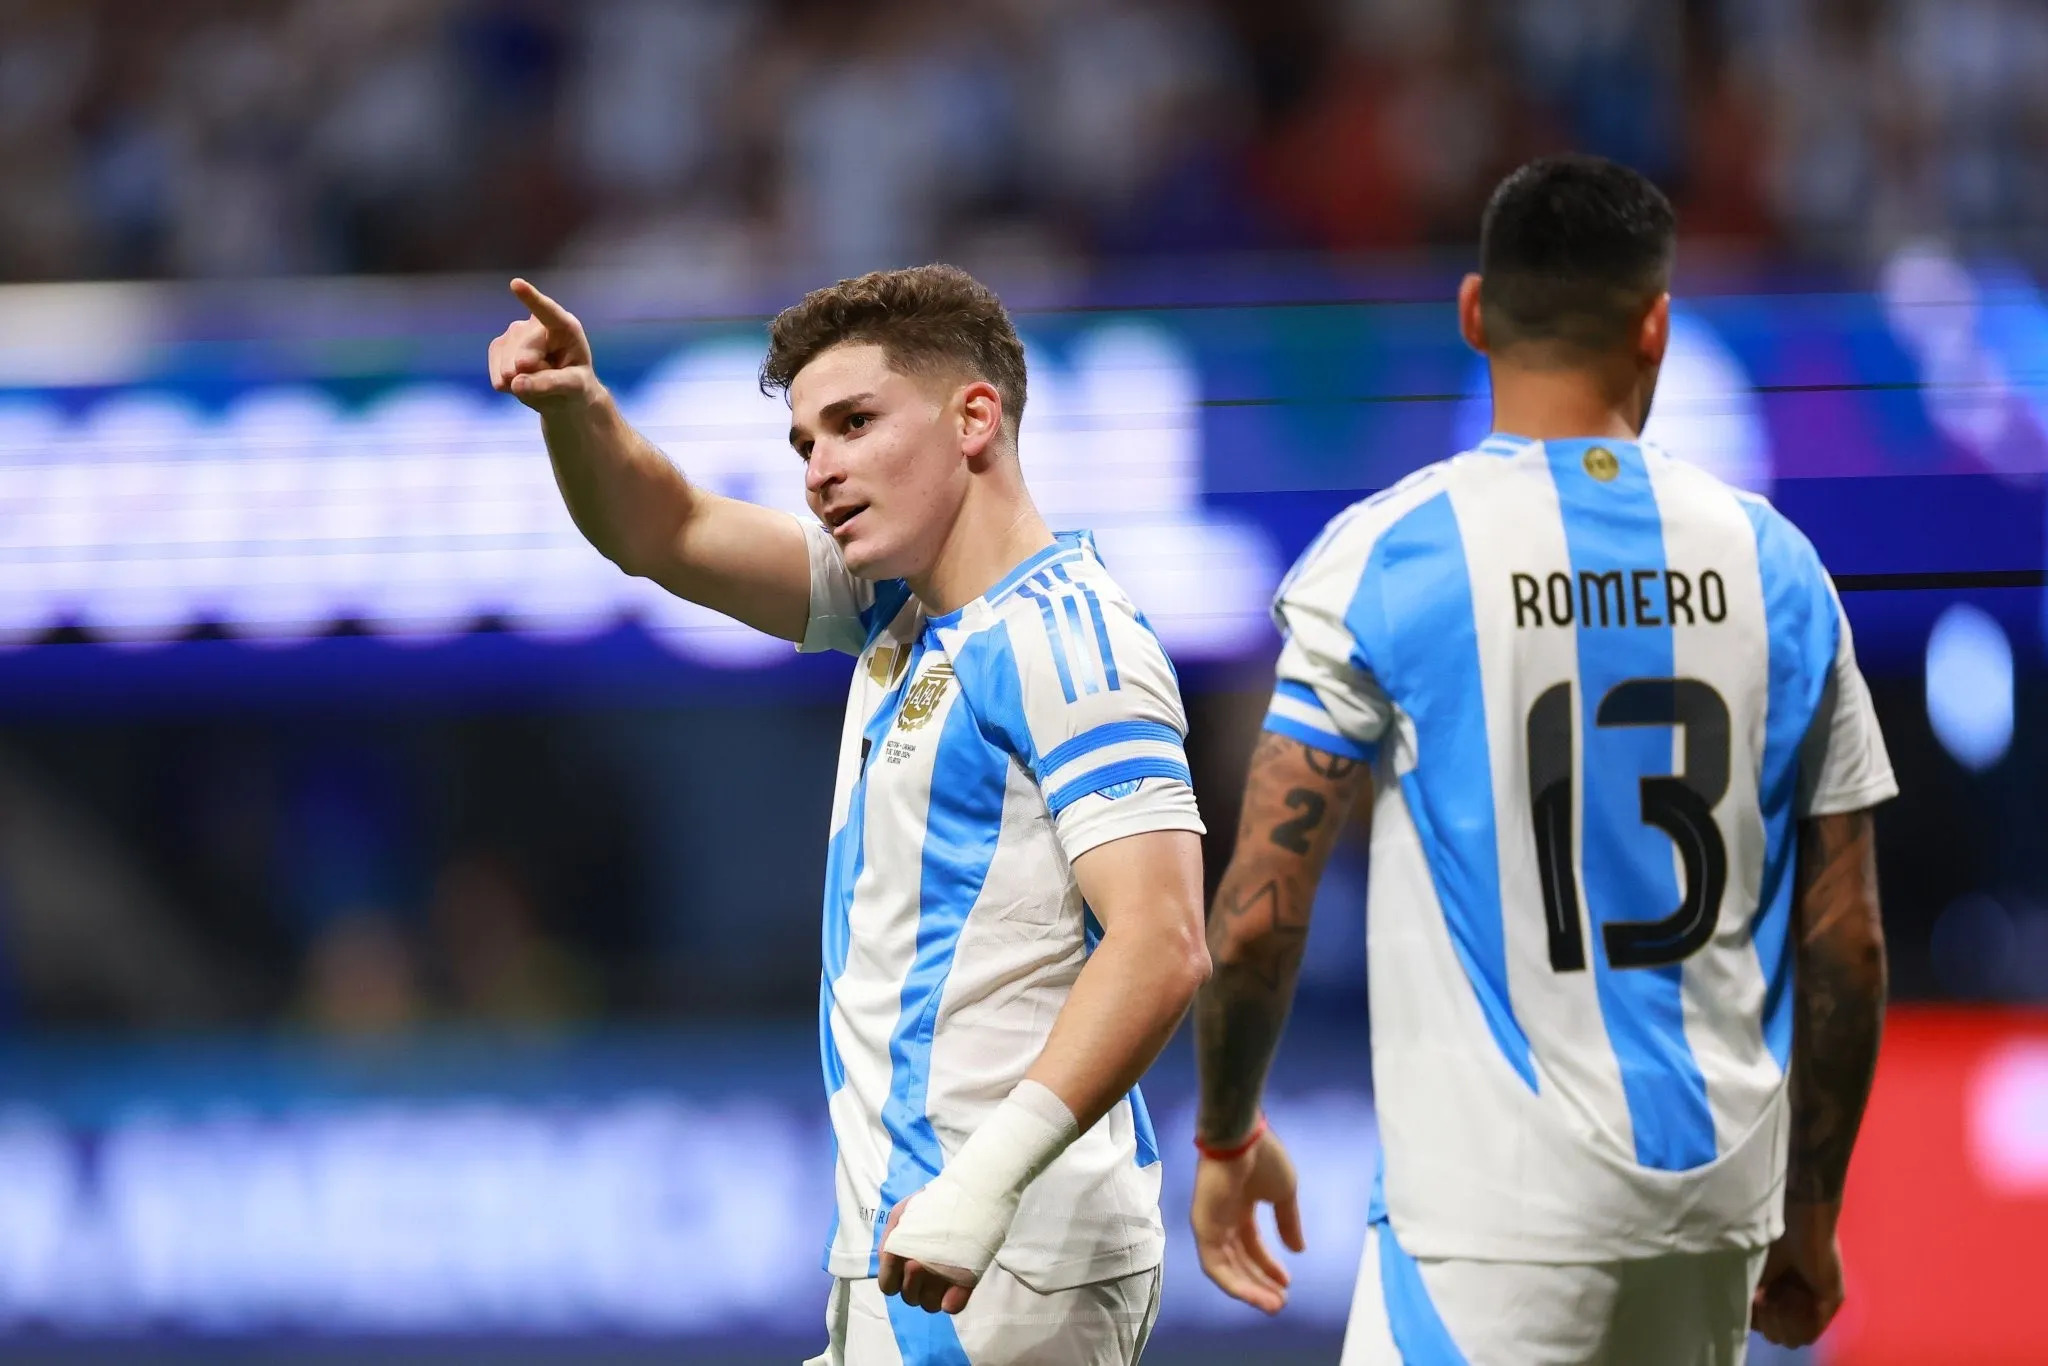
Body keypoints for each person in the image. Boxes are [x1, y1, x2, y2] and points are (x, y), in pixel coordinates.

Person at [1187, 155, 1895, 1364]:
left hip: (1490, 1221)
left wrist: (1224, 1134)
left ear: (1472, 313)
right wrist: (1811, 1209)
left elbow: (1258, 915)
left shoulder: (1391, 556)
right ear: (1654, 327)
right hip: (1712, 1208)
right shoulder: (1777, 567)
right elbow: (1847, 942)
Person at [488, 264, 1209, 1364]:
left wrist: (980, 1183)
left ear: (974, 418)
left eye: (855, 424)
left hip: (1002, 1251)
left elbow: (1160, 940)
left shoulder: (1068, 640)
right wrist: (577, 408)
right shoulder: (896, 610)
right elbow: (666, 530)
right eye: (805, 443)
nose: (820, 469)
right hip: (914, 1233)